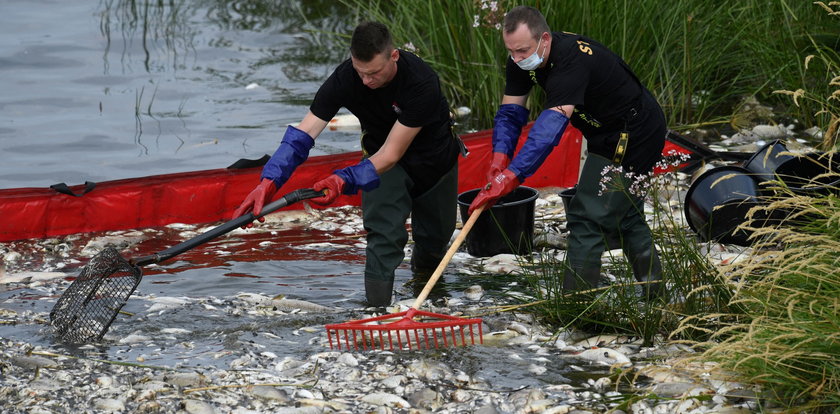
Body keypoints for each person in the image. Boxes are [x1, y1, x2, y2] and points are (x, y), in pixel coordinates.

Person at [233, 21, 463, 307]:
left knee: (433, 245)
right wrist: (269, 182)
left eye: (374, 73)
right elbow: (303, 134)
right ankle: (376, 314)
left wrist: (342, 179)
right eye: (360, 72)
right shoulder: (346, 78)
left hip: (434, 164)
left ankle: (429, 303)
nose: (366, 81)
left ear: (394, 56)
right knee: (383, 236)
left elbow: (394, 151)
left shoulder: (421, 82)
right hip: (383, 166)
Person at [468, 6, 665, 298]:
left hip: (634, 132)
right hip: (601, 132)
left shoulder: (571, 62)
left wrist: (513, 176)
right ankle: (655, 295)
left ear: (544, 39)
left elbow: (549, 132)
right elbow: (510, 113)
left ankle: (576, 305)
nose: (518, 59)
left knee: (587, 216)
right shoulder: (521, 60)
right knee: (625, 213)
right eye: (511, 51)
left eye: (523, 51)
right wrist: (499, 159)